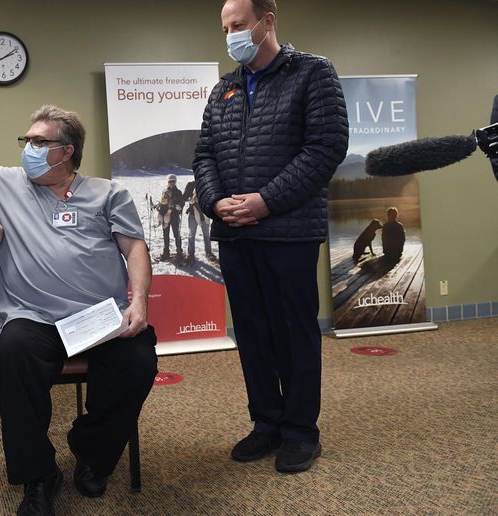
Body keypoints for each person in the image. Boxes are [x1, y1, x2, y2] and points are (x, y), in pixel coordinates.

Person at [0, 105, 158, 516]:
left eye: (40, 142)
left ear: (67, 151)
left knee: (137, 362)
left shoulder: (107, 193)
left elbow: (134, 247)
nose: (29, 148)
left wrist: (139, 300)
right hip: (34, 317)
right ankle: (38, 475)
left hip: (98, 317)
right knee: (14, 351)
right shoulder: (4, 183)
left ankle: (91, 449)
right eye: (27, 140)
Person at [192, 0, 348, 473]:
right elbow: (203, 157)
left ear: (267, 21)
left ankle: (300, 431)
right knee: (254, 335)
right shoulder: (224, 89)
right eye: (225, 28)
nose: (231, 35)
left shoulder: (312, 73)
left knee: (294, 334)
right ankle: (266, 423)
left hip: (288, 232)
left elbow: (325, 149)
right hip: (236, 235)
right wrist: (215, 201)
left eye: (238, 25)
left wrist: (265, 201)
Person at [182, 180, 214, 265]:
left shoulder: (207, 183)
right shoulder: (190, 184)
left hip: (205, 214)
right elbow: (184, 198)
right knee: (191, 235)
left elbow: (212, 196)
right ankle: (190, 254)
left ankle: (208, 253)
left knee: (206, 234)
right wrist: (191, 200)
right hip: (193, 213)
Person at [155, 174, 184, 261]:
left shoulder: (178, 192)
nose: (171, 183)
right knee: (165, 235)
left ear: (175, 182)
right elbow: (162, 203)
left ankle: (179, 252)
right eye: (169, 181)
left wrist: (178, 206)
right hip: (165, 216)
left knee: (176, 235)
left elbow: (181, 203)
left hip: (174, 216)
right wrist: (158, 208)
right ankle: (166, 253)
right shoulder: (164, 191)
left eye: (173, 181)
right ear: (167, 182)